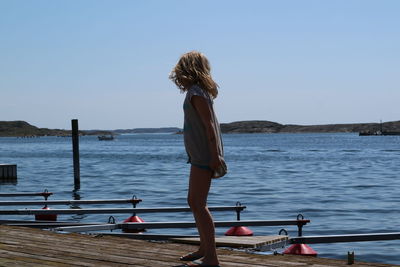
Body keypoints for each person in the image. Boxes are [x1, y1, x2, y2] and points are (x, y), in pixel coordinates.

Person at [170, 51, 227, 267]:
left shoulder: (196, 92)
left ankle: (211, 257)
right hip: (198, 153)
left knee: (198, 203)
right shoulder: (197, 91)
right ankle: (204, 248)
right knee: (193, 201)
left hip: (204, 153)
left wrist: (215, 155)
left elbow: (208, 125)